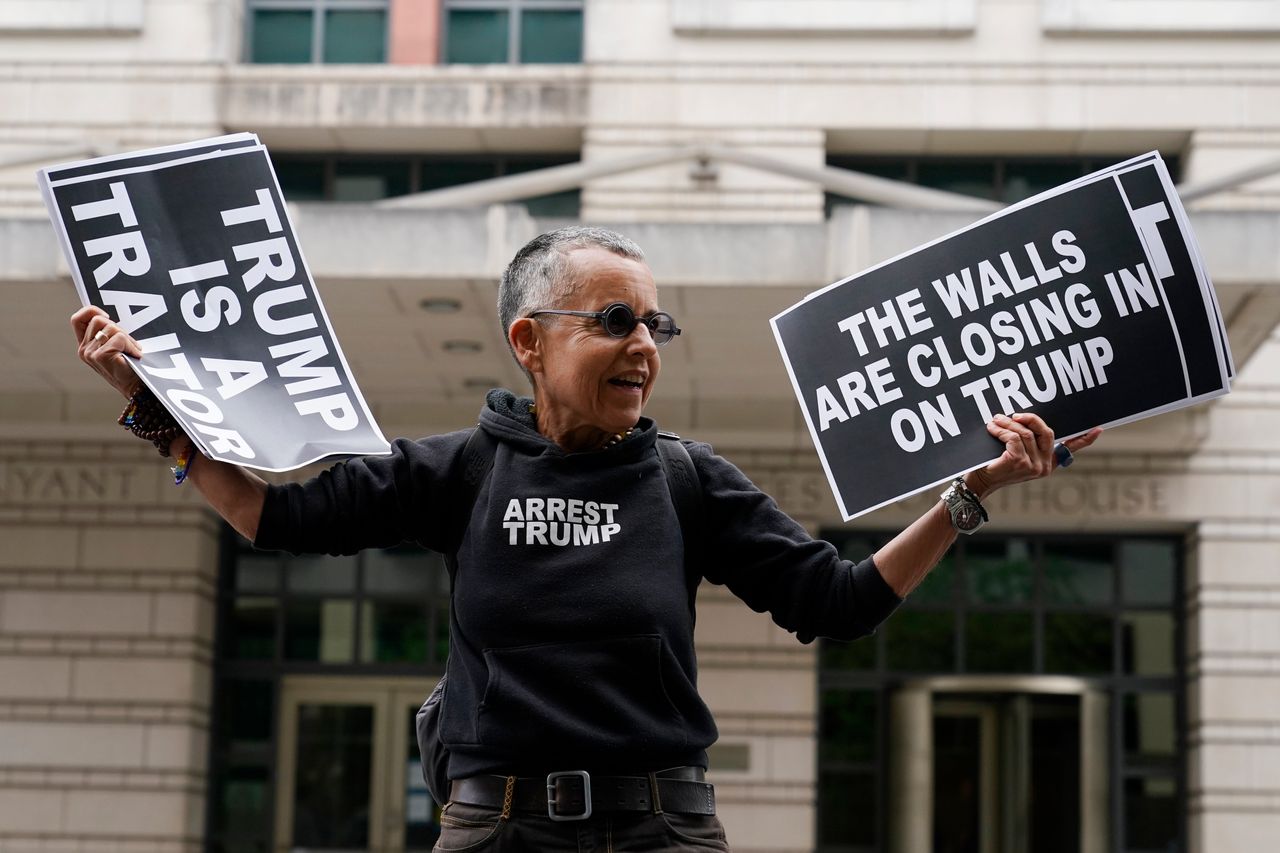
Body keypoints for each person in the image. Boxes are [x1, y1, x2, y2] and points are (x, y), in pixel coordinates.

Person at [72, 226, 1100, 851]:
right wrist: (152, 407)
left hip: (662, 831)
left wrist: (969, 494)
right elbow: (269, 513)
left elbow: (835, 602)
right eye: (614, 320)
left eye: (655, 326)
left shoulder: (689, 478)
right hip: (495, 830)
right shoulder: (456, 471)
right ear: (531, 340)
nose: (642, 347)